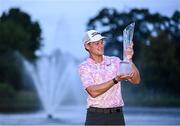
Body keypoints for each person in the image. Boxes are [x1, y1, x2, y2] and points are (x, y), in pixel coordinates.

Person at [78, 30, 140, 125]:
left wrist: (129, 58)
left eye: (102, 42)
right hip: (96, 116)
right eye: (96, 43)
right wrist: (115, 80)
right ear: (87, 46)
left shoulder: (115, 61)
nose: (101, 45)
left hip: (117, 116)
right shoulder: (84, 66)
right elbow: (93, 92)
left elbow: (136, 80)